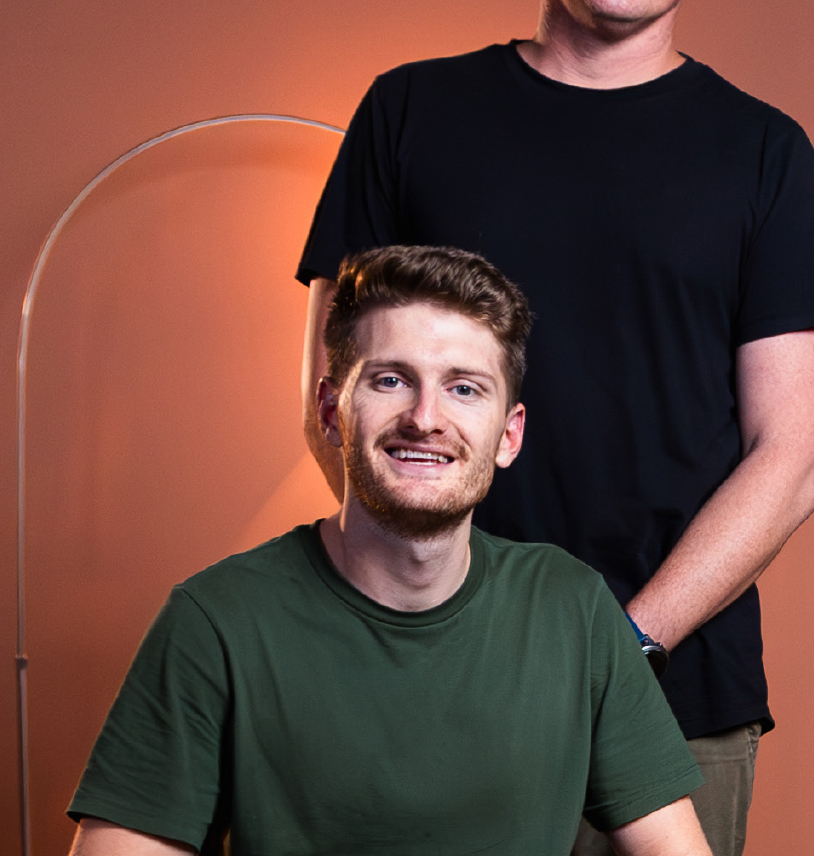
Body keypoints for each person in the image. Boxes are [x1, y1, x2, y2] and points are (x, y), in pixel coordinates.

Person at [294, 0, 814, 854]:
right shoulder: (409, 114)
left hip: (670, 697)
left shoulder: (765, 156)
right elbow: (333, 402)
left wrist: (618, 645)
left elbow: (791, 459)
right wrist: (440, 624)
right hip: (426, 679)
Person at [67, 246, 710, 855]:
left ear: (509, 434)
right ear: (331, 409)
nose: (425, 417)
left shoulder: (571, 607)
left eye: (464, 388)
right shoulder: (216, 621)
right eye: (392, 380)